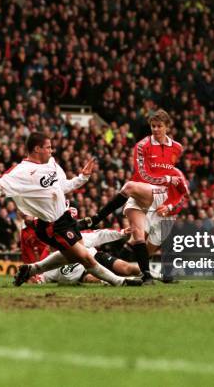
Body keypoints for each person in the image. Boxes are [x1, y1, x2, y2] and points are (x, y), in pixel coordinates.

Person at [0, 131, 142, 287]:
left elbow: (63, 187)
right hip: (51, 225)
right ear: (37, 149)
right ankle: (120, 282)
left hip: (65, 218)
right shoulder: (21, 172)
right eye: (48, 147)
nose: (51, 151)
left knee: (72, 256)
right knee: (85, 257)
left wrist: (83, 178)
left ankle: (32, 270)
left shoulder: (51, 163)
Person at [79, 109, 186, 283]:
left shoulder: (177, 148)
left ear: (167, 127)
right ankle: (147, 276)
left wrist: (172, 194)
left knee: (150, 245)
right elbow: (143, 174)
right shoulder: (142, 145)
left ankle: (143, 271)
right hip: (141, 190)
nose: (156, 129)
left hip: (161, 195)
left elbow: (176, 174)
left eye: (159, 126)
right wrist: (166, 178)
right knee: (137, 233)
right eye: (153, 126)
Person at [35, 228, 141, 285]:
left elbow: (100, 234)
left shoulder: (78, 237)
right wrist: (36, 278)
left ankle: (149, 274)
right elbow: (43, 276)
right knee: (89, 278)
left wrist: (121, 232)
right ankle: (122, 281)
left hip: (95, 257)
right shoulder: (51, 259)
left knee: (125, 268)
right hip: (83, 273)